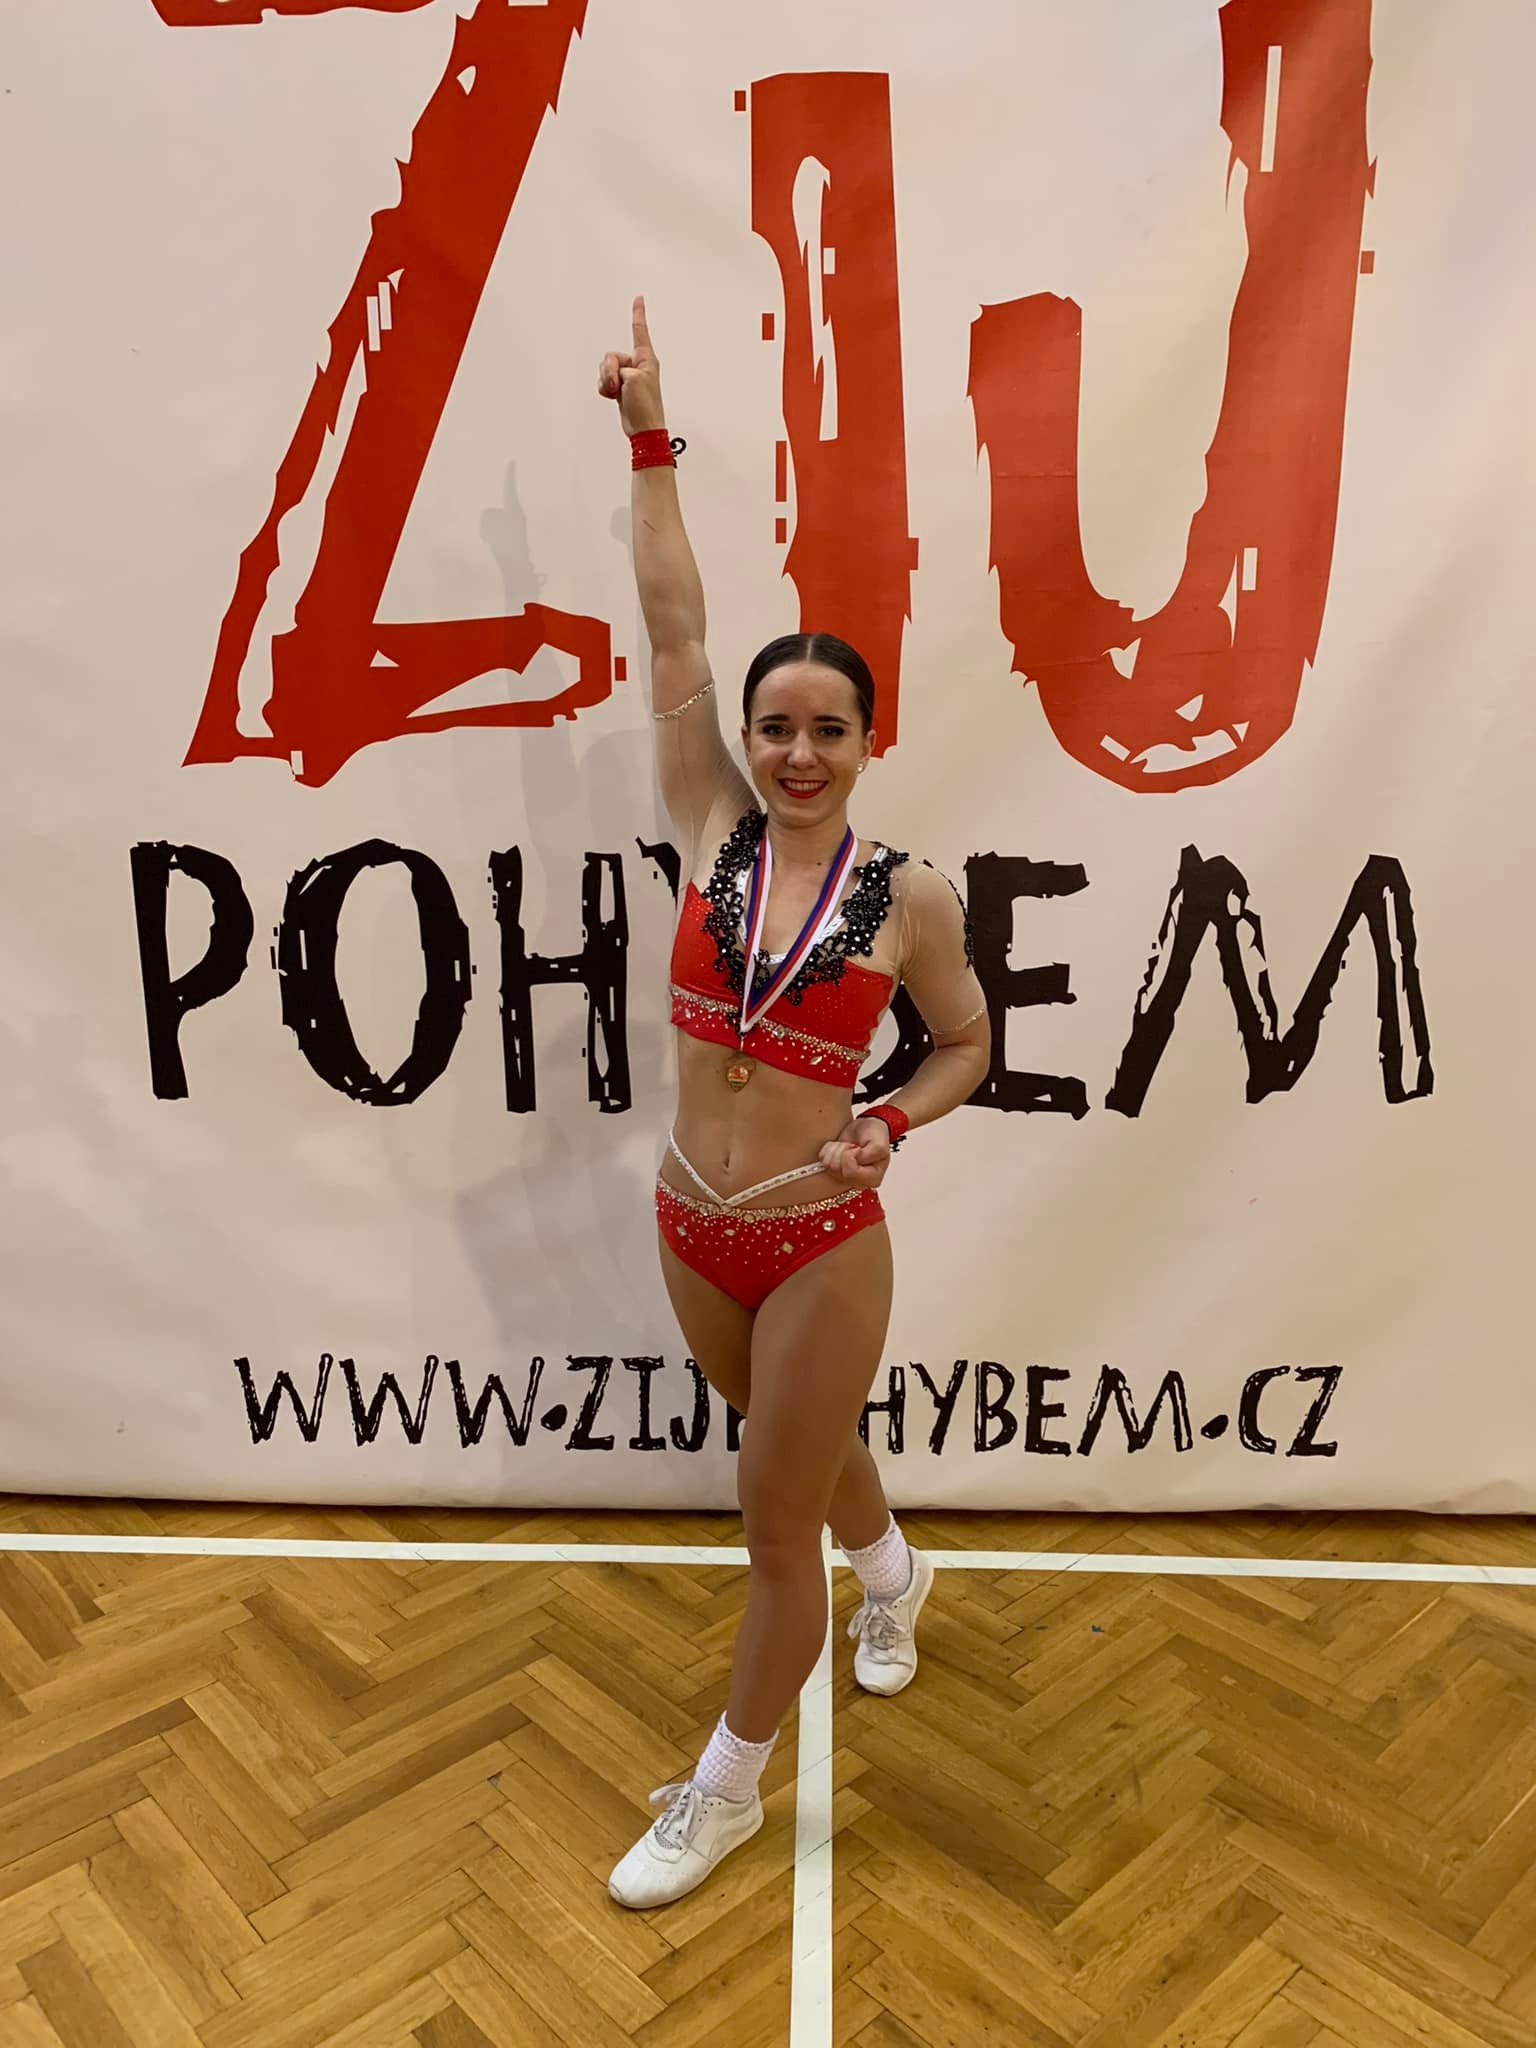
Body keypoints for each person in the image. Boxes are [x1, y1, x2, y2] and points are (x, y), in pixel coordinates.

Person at [598, 298, 991, 1910]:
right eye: (777, 727)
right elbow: (674, 626)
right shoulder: (710, 824)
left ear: (868, 738)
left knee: (771, 1533)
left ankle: (726, 1792)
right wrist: (649, 436)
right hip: (692, 1225)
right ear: (747, 738)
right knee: (801, 1458)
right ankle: (894, 1567)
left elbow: (966, 1044)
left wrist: (890, 1118)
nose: (799, 751)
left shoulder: (914, 896)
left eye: (829, 729)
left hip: (820, 1236)